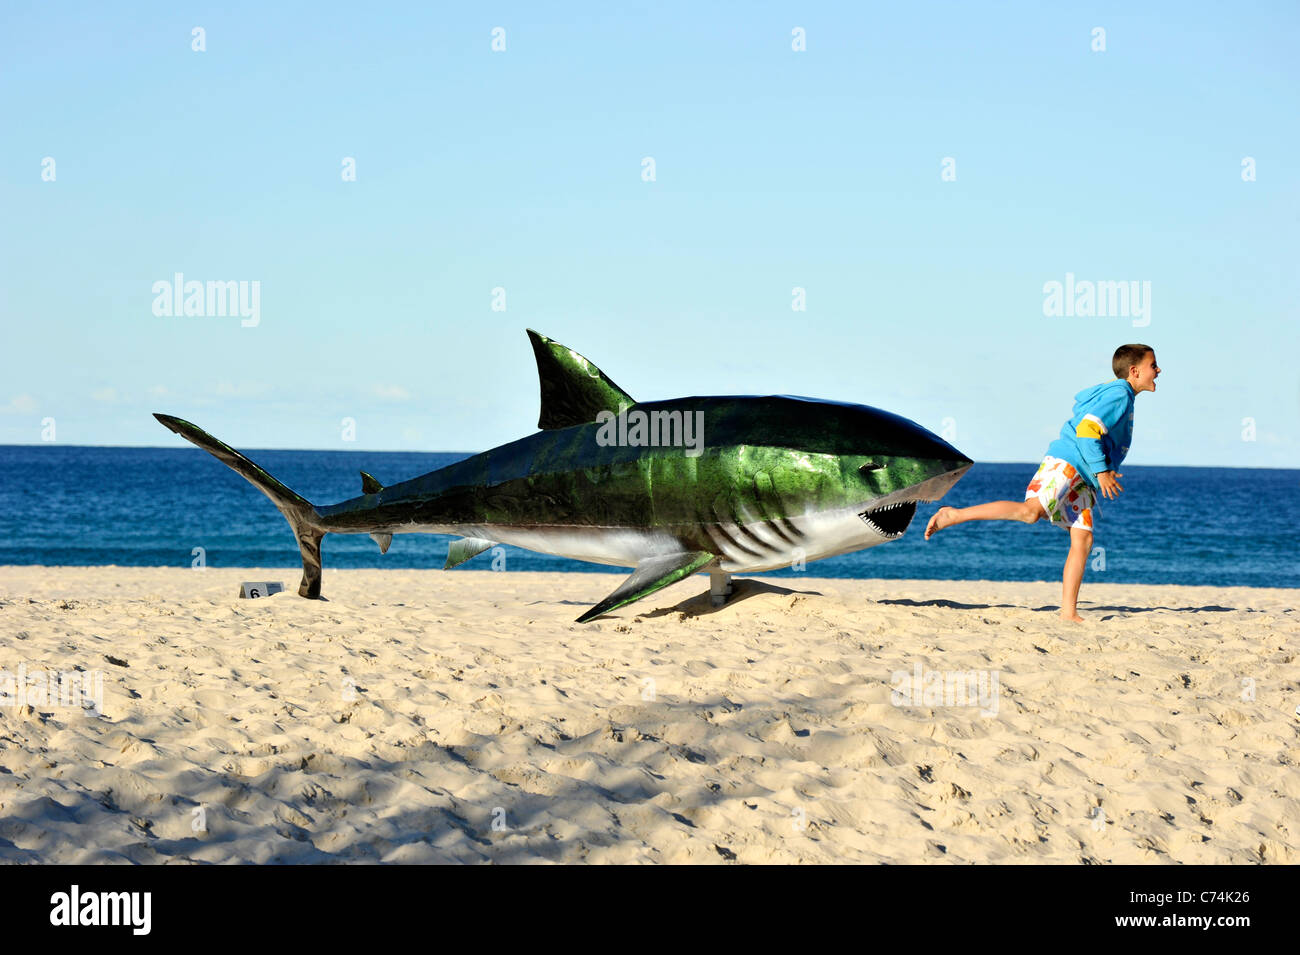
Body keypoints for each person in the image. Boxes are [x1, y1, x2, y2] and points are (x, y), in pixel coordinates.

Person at [925, 344, 1160, 622]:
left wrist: (1098, 472)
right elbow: (1087, 430)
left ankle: (1068, 612)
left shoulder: (1119, 393)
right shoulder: (1120, 394)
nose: (1158, 370)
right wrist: (1102, 472)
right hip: (1070, 463)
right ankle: (954, 515)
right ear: (1134, 371)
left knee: (1083, 539)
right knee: (1030, 512)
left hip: (1082, 476)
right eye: (1153, 365)